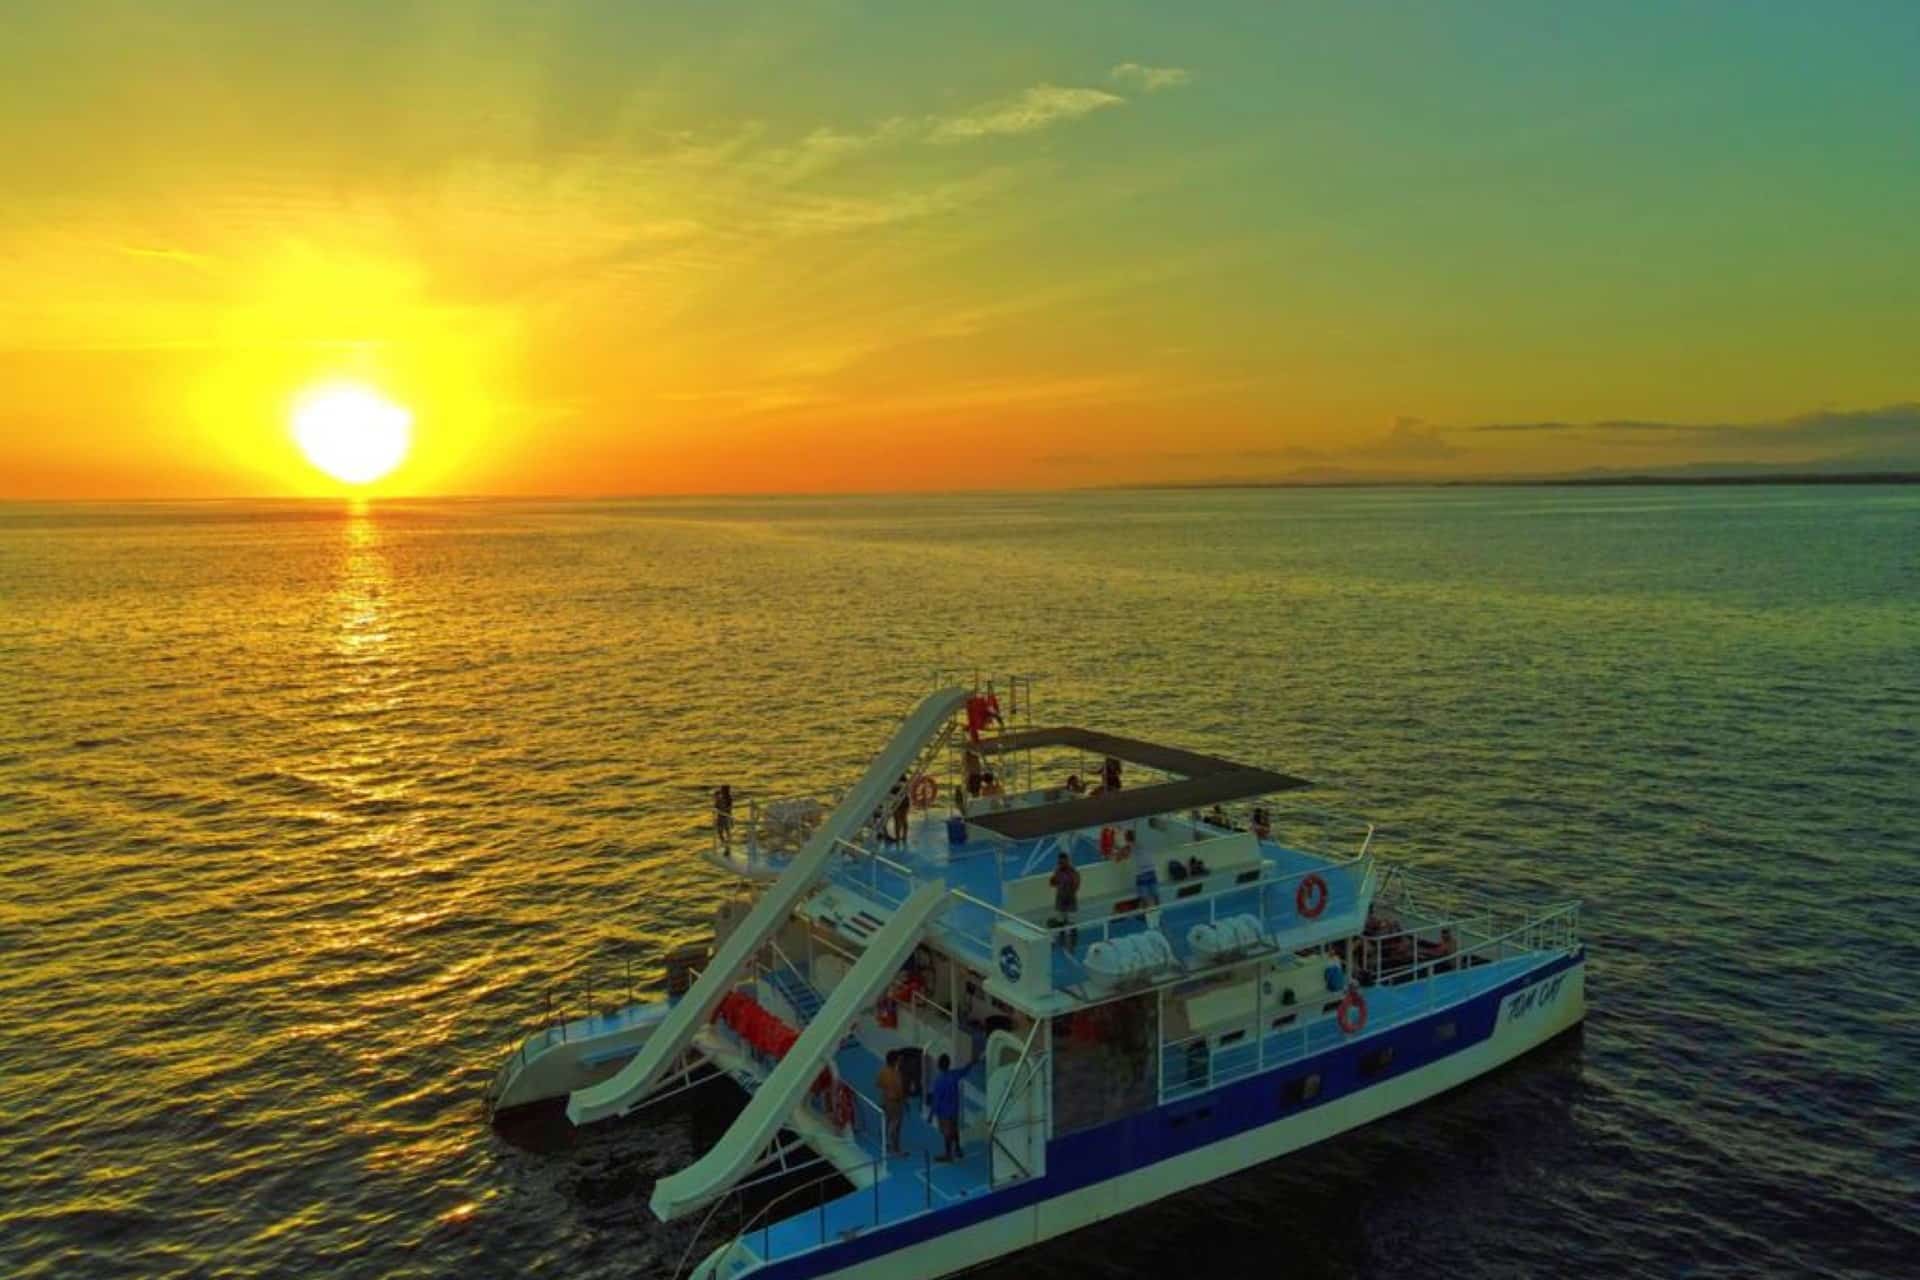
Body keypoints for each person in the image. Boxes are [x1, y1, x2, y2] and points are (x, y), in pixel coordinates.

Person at [928, 1053, 963, 1162]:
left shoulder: (939, 1081)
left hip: (944, 1113)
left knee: (947, 1133)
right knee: (954, 1129)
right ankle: (957, 1149)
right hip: (954, 1110)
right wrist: (974, 1061)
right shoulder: (954, 1075)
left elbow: (936, 1100)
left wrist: (930, 1115)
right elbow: (966, 1069)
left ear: (939, 1065)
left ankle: (948, 1155)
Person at [877, 1050, 907, 1155]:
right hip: (896, 1103)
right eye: (898, 1060)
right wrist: (904, 1102)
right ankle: (896, 1149)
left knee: (887, 1122)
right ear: (895, 1061)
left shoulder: (883, 1072)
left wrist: (882, 1101)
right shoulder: (896, 1074)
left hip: (886, 1101)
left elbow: (880, 1085)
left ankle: (885, 1142)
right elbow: (900, 1091)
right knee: (896, 1126)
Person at [1049, 851, 1081, 949]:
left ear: (1067, 861)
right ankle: (1060, 940)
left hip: (1070, 899)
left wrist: (1069, 895)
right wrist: (1053, 879)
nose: (1061, 864)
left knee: (1071, 922)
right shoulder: (1058, 870)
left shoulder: (1073, 872)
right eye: (1059, 862)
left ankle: (1073, 942)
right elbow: (1053, 883)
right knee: (1060, 921)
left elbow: (1076, 885)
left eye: (1063, 862)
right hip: (1060, 899)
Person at [1127, 829, 1158, 908]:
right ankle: (1156, 914)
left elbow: (1118, 858)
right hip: (1152, 870)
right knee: (1154, 896)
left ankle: (1149, 914)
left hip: (1142, 873)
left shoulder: (1130, 846)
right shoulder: (1146, 841)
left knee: (1145, 898)